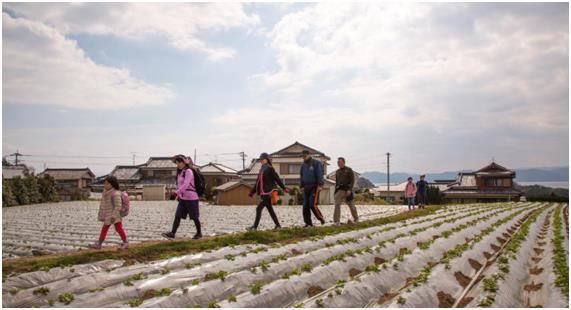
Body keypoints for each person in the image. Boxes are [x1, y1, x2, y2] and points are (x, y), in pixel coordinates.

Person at [162, 155, 202, 240]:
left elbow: (186, 184)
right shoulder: (180, 173)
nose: (178, 164)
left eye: (179, 162)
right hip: (183, 198)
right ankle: (172, 233)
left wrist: (176, 193)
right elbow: (180, 185)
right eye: (177, 163)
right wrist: (179, 195)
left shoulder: (189, 171)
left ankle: (199, 233)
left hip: (192, 198)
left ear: (184, 162)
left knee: (194, 217)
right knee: (178, 215)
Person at [247, 153, 289, 231]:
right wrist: (252, 191)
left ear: (267, 159)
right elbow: (258, 182)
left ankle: (254, 227)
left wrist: (284, 188)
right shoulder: (261, 169)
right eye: (260, 159)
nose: (261, 160)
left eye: (263, 159)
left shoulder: (270, 168)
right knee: (270, 209)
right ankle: (278, 226)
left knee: (258, 208)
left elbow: (277, 179)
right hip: (263, 192)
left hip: (269, 192)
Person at [89, 176, 128, 249]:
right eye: (105, 183)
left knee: (118, 229)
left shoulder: (115, 194)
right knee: (106, 228)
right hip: (109, 214)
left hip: (114, 215)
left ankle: (125, 242)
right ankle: (99, 243)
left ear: (112, 184)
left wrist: (113, 216)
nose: (105, 185)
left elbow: (118, 206)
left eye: (107, 184)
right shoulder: (107, 193)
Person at [300, 149, 325, 227]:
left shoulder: (316, 163)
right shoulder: (303, 165)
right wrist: (301, 186)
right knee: (305, 206)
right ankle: (308, 223)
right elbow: (301, 176)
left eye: (305, 156)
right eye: (302, 156)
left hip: (314, 186)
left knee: (312, 204)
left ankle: (320, 218)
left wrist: (320, 185)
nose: (303, 158)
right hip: (306, 187)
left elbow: (320, 174)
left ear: (309, 155)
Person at [333, 157, 359, 225]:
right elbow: (337, 182)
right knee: (337, 205)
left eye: (340, 162)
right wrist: (335, 191)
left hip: (347, 190)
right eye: (338, 163)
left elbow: (352, 181)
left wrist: (349, 190)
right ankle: (336, 221)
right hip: (339, 190)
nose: (339, 164)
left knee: (351, 205)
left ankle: (356, 218)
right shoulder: (337, 172)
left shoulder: (349, 170)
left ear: (344, 162)